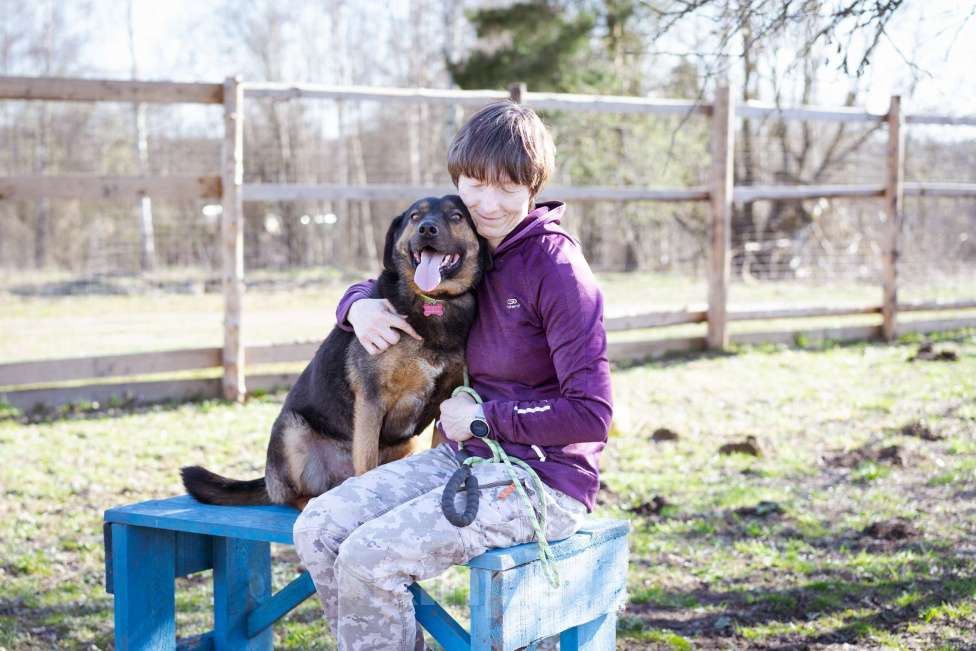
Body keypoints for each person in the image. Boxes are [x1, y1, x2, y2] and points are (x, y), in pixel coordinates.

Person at [292, 101, 613, 651]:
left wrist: (486, 418)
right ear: (457, 181)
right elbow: (386, 282)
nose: (489, 204)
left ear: (533, 186)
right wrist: (355, 308)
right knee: (318, 528)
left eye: (507, 188)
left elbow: (593, 413)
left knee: (370, 558)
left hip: (541, 481)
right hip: (464, 460)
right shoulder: (467, 252)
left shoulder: (556, 270)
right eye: (475, 185)